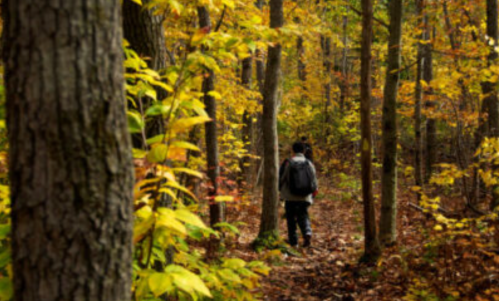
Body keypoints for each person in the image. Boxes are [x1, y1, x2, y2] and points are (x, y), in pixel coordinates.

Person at [279, 142, 318, 247]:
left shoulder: (289, 162)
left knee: (291, 219)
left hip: (290, 196)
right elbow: (314, 180)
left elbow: (283, 178)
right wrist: (313, 193)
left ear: (293, 150)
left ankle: (294, 242)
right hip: (304, 196)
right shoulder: (309, 163)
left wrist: (280, 192)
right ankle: (307, 232)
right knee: (303, 215)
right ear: (304, 151)